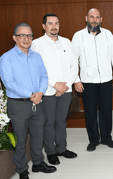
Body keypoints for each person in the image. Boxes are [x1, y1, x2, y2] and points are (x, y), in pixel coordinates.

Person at [0, 23, 56, 179]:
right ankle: (22, 169)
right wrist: (31, 94)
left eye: (29, 35)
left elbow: (44, 76)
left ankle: (38, 163)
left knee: (38, 135)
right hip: (18, 105)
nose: (26, 39)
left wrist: (39, 92)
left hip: (37, 102)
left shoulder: (36, 56)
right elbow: (9, 82)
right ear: (14, 38)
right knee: (20, 139)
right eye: (22, 35)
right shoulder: (6, 58)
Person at [31, 13, 78, 165]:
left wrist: (66, 85)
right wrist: (54, 84)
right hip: (47, 91)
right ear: (44, 26)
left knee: (61, 120)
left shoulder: (66, 42)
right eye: (50, 23)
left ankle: (61, 148)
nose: (54, 26)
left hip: (65, 90)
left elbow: (74, 65)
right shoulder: (36, 44)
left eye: (56, 23)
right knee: (49, 122)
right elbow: (37, 69)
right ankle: (50, 152)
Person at [72, 8, 113, 152]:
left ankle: (106, 137)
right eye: (91, 17)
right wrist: (76, 79)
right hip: (87, 81)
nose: (94, 19)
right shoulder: (78, 36)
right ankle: (93, 140)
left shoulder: (108, 35)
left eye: (97, 17)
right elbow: (73, 60)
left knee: (106, 110)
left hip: (106, 80)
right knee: (90, 111)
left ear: (101, 19)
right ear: (86, 18)